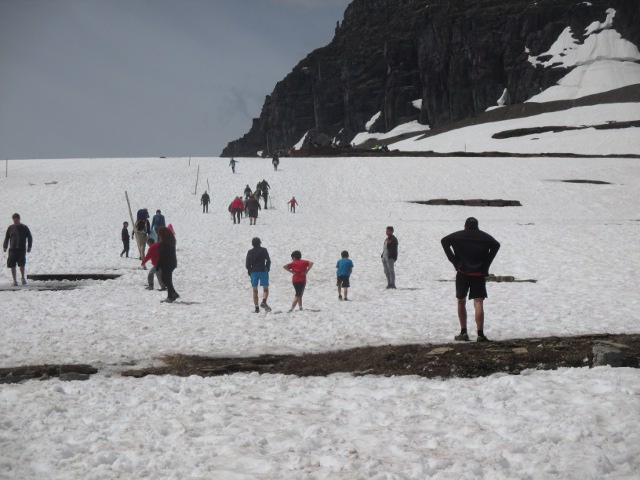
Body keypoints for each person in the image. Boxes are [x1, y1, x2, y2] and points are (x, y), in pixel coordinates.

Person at [441, 217, 501, 342]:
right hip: (478, 274)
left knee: (461, 301)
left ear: (465, 226)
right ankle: (480, 334)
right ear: (477, 226)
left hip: (462, 273)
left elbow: (444, 241)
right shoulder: (484, 237)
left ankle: (463, 332)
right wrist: (486, 264)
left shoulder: (458, 236)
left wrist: (455, 262)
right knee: (478, 302)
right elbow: (496, 245)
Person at [3, 213, 33, 287]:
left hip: (21, 249)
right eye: (14, 220)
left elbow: (30, 237)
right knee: (12, 265)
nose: (15, 221)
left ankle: (22, 278)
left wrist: (29, 246)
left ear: (19, 219)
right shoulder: (10, 228)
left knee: (21, 264)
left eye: (17, 220)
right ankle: (14, 281)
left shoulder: (24, 227)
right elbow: (7, 238)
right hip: (12, 249)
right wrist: (5, 246)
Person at [245, 237, 271, 313]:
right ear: (260, 243)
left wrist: (249, 271)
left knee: (255, 290)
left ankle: (256, 308)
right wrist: (267, 269)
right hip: (263, 270)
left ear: (252, 244)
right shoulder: (264, 250)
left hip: (254, 271)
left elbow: (247, 264)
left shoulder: (250, 252)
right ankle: (264, 301)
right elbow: (268, 260)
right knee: (265, 289)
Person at [156, 226, 179, 303]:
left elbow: (162, 255)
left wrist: (158, 264)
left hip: (166, 264)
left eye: (159, 234)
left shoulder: (164, 243)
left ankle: (171, 296)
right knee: (167, 280)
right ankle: (173, 294)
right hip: (171, 263)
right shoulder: (170, 240)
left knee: (166, 280)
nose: (158, 235)